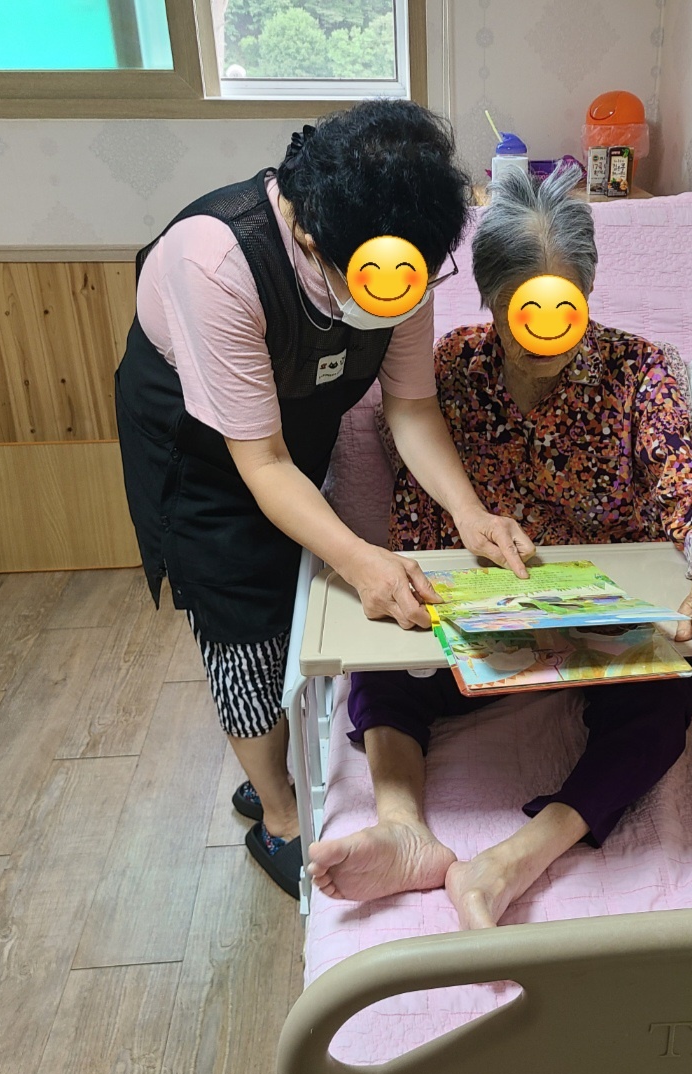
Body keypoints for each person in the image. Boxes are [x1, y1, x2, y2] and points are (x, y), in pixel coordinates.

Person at [307, 165, 692, 927]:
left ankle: (512, 861)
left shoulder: (641, 370)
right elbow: (421, 508)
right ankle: (402, 829)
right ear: (490, 300)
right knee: (382, 672)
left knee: (670, 690)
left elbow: (689, 486)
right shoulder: (448, 370)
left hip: (600, 618)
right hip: (488, 611)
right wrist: (431, 604)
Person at [114, 99, 535, 899]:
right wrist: (360, 558)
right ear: (310, 234)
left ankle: (271, 770)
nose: (401, 295)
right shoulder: (216, 262)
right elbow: (263, 462)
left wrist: (469, 512)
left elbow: (410, 407)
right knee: (243, 618)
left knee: (303, 591)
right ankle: (280, 818)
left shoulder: (398, 261)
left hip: (287, 425)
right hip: (195, 449)